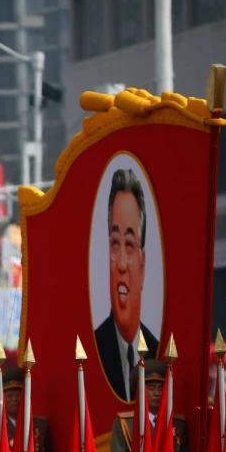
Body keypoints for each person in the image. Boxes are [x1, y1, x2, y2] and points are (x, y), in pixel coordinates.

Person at [94, 167, 160, 401]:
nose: (121, 263)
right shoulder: (93, 351)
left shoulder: (157, 352)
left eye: (130, 245)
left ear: (142, 266)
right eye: (115, 243)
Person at [108, 360, 188, 452]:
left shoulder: (178, 424)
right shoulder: (125, 424)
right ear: (140, 391)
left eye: (161, 388)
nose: (157, 393)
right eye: (151, 388)